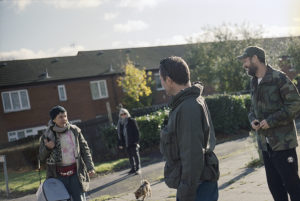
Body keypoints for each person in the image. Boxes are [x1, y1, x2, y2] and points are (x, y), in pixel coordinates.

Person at [238, 46, 300, 201]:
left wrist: (271, 121)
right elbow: (252, 108)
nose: (244, 65)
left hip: (283, 144)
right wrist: (253, 120)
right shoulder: (253, 82)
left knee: (294, 188)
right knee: (276, 189)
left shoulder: (278, 78)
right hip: (265, 146)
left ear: (255, 58)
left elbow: (295, 103)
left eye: (245, 61)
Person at [159, 56, 219, 201]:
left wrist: (186, 192)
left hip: (197, 186)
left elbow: (192, 154)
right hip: (197, 184)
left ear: (168, 80)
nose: (161, 84)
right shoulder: (188, 102)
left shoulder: (188, 106)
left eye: (160, 79)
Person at [39, 106, 96, 201]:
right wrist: (48, 148)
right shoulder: (47, 135)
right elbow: (41, 157)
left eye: (65, 116)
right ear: (54, 119)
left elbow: (85, 150)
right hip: (58, 176)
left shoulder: (75, 131)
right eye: (60, 117)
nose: (64, 119)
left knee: (79, 199)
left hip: (76, 174)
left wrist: (90, 167)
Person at [117, 108, 142, 175]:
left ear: (127, 113)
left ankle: (138, 168)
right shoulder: (120, 123)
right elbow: (120, 134)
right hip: (126, 142)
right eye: (121, 114)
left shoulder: (131, 121)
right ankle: (133, 169)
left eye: (124, 113)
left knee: (136, 155)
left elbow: (137, 132)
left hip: (133, 141)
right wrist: (120, 143)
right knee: (130, 156)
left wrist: (136, 141)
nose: (123, 115)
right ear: (120, 115)